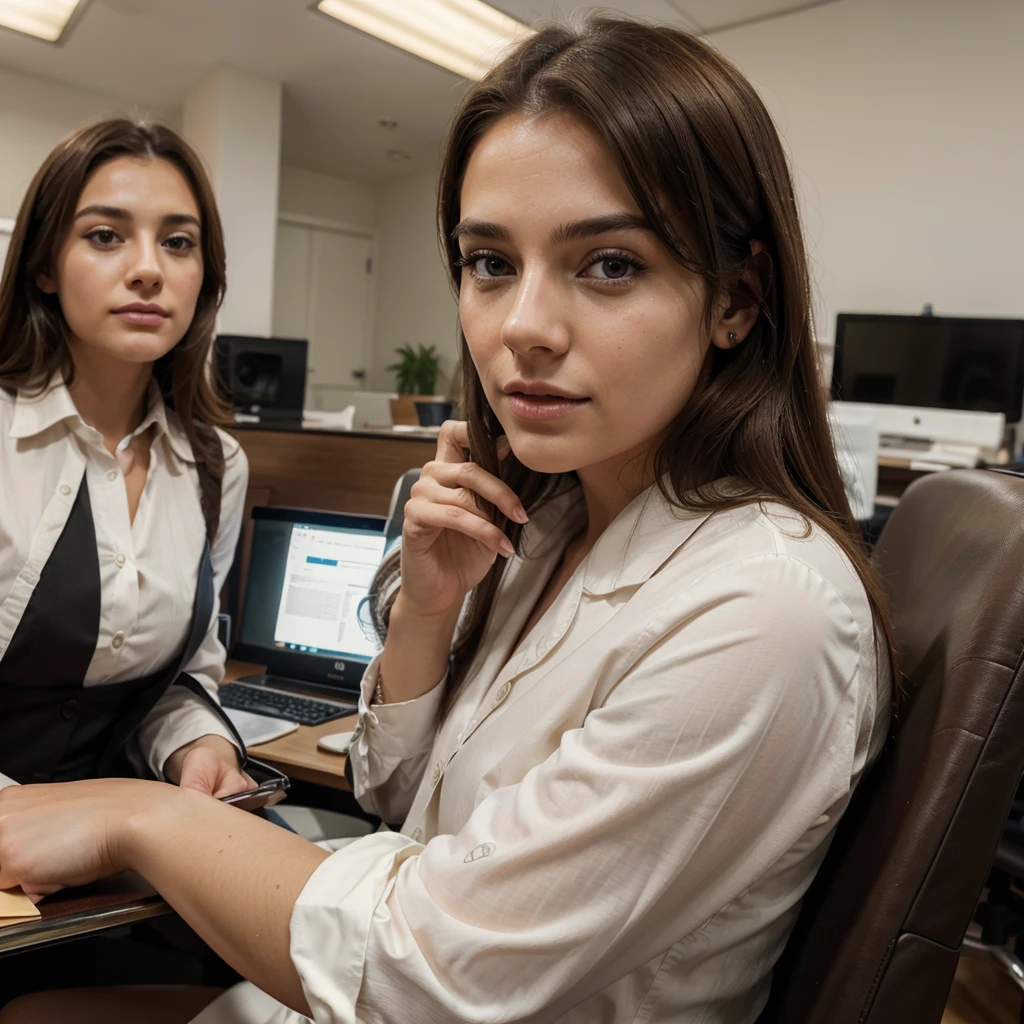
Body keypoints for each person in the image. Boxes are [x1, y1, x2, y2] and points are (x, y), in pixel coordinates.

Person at [0, 18, 895, 1024]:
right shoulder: (547, 526)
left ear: (738, 296)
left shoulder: (765, 605)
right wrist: (426, 613)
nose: (522, 328)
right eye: (489, 262)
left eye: (608, 264)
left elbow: (431, 972)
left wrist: (139, 809)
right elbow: (396, 793)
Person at [0, 119, 250, 798]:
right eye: (105, 236)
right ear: (44, 266)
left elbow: (179, 679)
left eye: (178, 243)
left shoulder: (216, 466)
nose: (148, 269)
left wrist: (198, 749)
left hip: (116, 831)